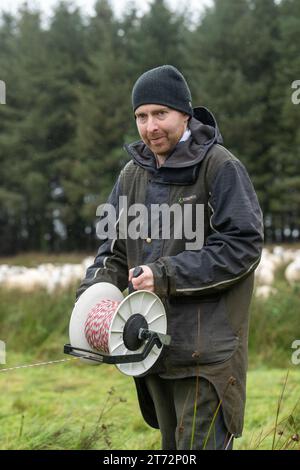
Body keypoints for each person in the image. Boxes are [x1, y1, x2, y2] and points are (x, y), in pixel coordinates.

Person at [76, 65, 264, 450]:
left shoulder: (220, 167)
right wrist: (91, 294)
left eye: (160, 113)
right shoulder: (131, 175)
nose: (150, 127)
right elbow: (112, 252)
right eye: (141, 117)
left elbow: (242, 247)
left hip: (207, 356)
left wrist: (166, 274)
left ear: (185, 114)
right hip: (152, 351)